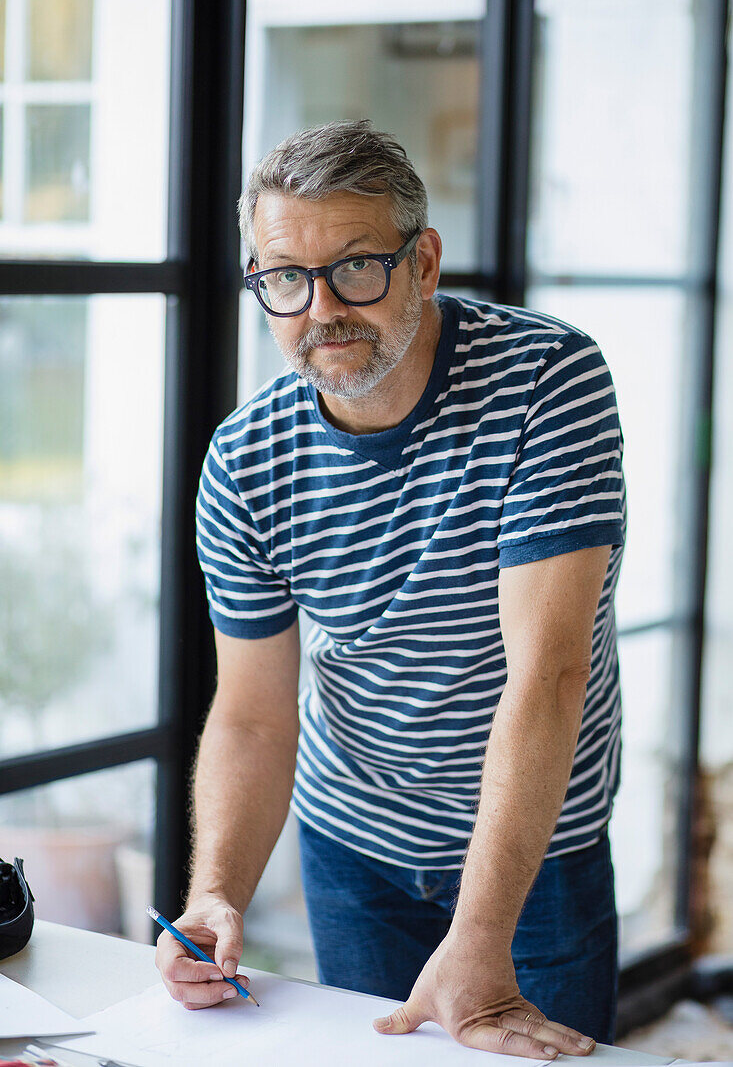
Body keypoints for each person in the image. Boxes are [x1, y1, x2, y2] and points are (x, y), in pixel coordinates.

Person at [156, 119, 626, 1057]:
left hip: (535, 856)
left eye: (357, 267)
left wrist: (481, 939)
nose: (321, 308)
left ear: (423, 262)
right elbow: (252, 714)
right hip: (354, 842)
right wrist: (214, 894)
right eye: (285, 277)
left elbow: (546, 674)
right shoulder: (246, 460)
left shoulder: (547, 380)